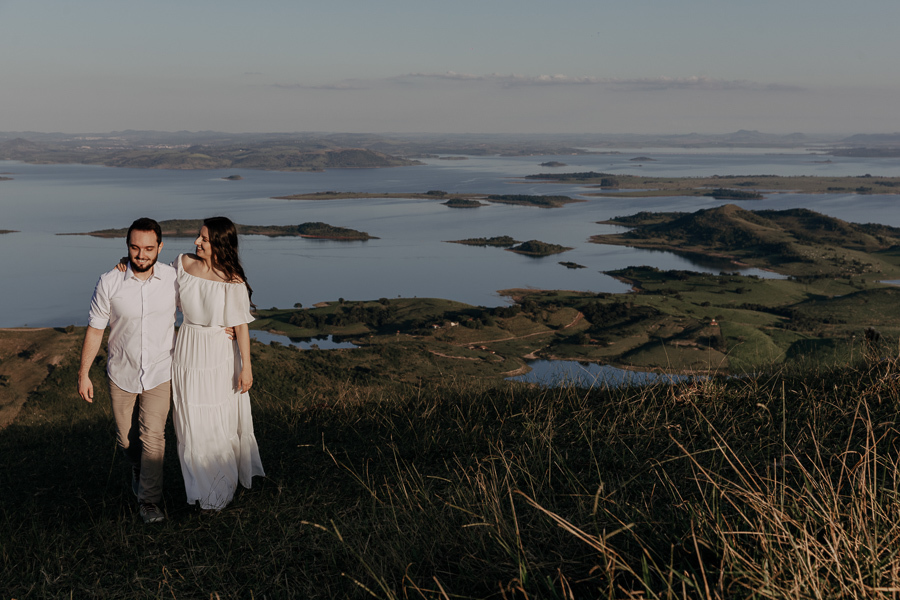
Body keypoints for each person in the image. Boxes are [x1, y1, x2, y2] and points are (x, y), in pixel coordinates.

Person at [78, 217, 175, 524]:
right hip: (122, 372)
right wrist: (83, 374)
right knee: (127, 441)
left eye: (148, 248)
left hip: (161, 371)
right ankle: (138, 467)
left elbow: (200, 306)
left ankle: (149, 502)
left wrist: (225, 329)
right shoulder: (109, 281)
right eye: (135, 248)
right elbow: (95, 330)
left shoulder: (173, 278)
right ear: (127, 247)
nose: (141, 255)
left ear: (160, 247)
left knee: (154, 437)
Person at [171, 216, 264, 510]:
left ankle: (219, 490)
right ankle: (197, 487)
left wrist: (246, 367)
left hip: (217, 354)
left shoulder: (232, 281)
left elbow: (241, 327)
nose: (197, 242)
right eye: (199, 237)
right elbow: (158, 288)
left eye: (204, 239)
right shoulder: (182, 264)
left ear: (220, 244)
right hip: (186, 348)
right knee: (189, 423)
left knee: (215, 420)